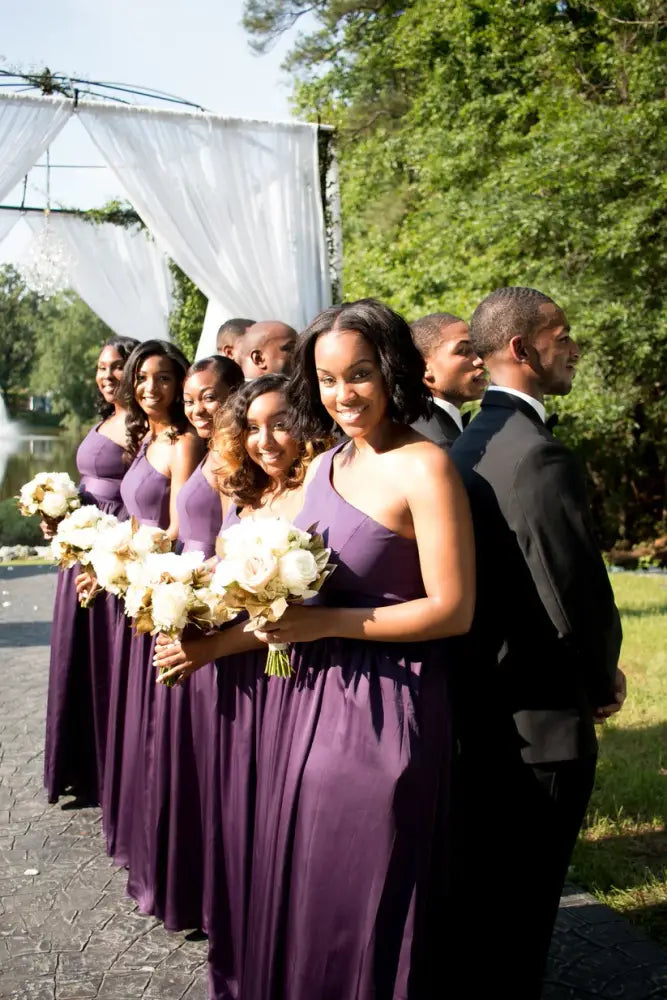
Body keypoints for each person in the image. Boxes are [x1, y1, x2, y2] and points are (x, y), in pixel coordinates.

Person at [215, 298, 473, 1000]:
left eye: (358, 375)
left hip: (390, 704)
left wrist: (322, 627)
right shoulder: (328, 460)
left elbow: (453, 610)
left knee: (372, 880)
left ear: (391, 371)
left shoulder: (426, 468)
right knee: (309, 874)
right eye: (327, 380)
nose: (342, 394)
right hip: (308, 695)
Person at [449, 286, 625, 999]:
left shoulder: (462, 445)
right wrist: (600, 676)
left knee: (485, 914)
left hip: (477, 714)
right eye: (562, 333)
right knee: (520, 925)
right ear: (520, 349)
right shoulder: (538, 455)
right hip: (542, 723)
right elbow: (572, 591)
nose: (573, 346)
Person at [154, 373, 331, 996]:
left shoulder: (319, 494)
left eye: (280, 423)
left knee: (276, 823)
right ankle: (243, 947)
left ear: (308, 425)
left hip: (286, 681)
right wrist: (178, 596)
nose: (265, 440)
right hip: (237, 685)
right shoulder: (249, 495)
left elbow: (290, 618)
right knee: (236, 817)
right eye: (252, 428)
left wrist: (207, 649)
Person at [138, 354, 244, 932]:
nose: (199, 407)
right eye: (192, 399)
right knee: (191, 757)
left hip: (222, 617)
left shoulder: (240, 460)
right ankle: (193, 884)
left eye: (210, 396)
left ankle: (218, 895)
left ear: (236, 394)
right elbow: (186, 533)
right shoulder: (204, 456)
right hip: (190, 609)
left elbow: (234, 538)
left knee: (216, 756)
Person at [102, 340, 203, 871]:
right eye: (142, 377)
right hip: (136, 582)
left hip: (160, 583)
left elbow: (179, 528)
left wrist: (134, 555)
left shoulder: (183, 441)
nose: (149, 388)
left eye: (163, 378)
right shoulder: (148, 436)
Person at [43, 336, 138, 807]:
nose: (107, 375)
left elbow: (144, 494)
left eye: (117, 366)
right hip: (82, 547)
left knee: (107, 656)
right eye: (101, 367)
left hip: (112, 553)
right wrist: (57, 512)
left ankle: (108, 767)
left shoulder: (142, 427)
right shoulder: (106, 420)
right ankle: (78, 763)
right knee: (76, 654)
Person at [410, 311, 486, 448]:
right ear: (425, 368)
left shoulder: (415, 423)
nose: (479, 361)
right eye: (463, 351)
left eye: (477, 350)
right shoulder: (439, 444)